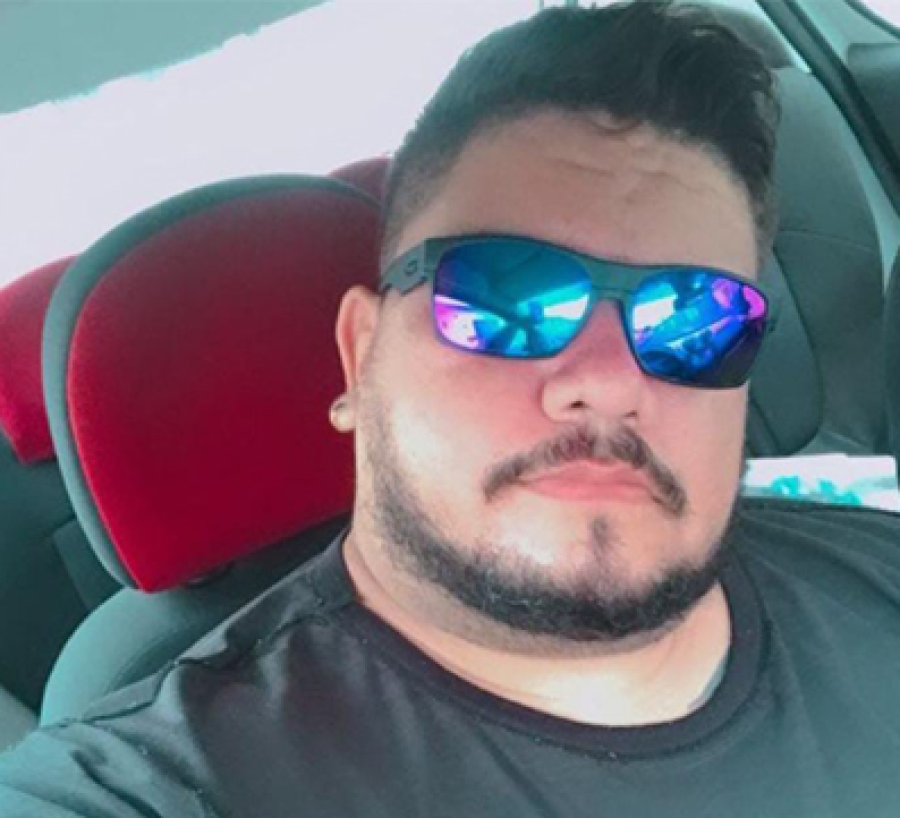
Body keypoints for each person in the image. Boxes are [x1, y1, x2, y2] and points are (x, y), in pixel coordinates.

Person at [2, 2, 900, 815]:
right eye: (504, 301)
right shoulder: (157, 786)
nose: (610, 381)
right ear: (360, 358)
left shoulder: (876, 572)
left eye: (696, 319)